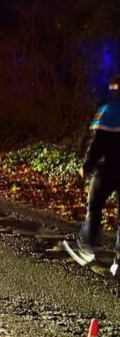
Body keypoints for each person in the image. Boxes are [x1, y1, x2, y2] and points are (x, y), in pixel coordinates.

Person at [64, 75, 120, 273]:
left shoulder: (107, 111)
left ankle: (87, 247)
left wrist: (86, 167)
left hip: (107, 169)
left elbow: (98, 143)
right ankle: (118, 263)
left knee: (94, 206)